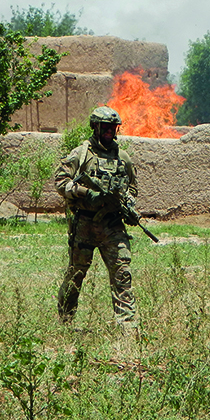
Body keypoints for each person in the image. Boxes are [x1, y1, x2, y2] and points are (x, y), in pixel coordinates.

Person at [54, 106, 138, 327]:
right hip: (85, 224)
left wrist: (128, 206)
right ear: (96, 127)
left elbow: (132, 188)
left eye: (113, 127)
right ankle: (65, 321)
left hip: (112, 225)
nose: (109, 131)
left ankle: (127, 328)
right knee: (76, 275)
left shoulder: (123, 158)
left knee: (123, 274)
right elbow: (61, 182)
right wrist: (85, 193)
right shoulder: (81, 154)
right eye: (105, 127)